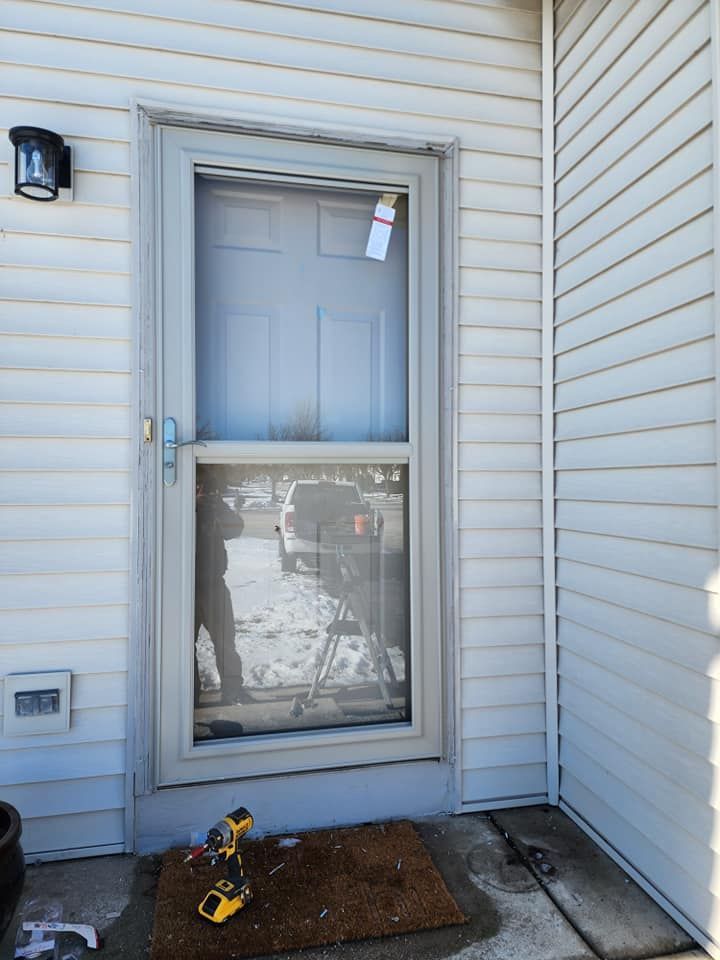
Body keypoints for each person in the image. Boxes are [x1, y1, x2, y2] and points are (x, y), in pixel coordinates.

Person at [194, 473, 245, 707]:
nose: (202, 490)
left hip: (214, 586)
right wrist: (193, 505)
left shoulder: (215, 507)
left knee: (225, 642)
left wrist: (218, 508)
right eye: (198, 486)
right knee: (182, 645)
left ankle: (232, 692)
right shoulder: (179, 502)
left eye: (205, 487)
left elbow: (235, 529)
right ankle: (190, 695)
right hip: (184, 587)